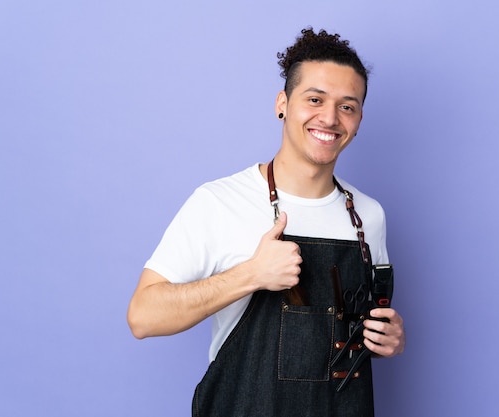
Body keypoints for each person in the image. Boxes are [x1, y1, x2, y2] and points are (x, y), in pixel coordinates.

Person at [128, 27, 405, 416]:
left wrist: (387, 338)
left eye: (347, 106)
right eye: (314, 99)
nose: (330, 118)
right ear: (282, 104)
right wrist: (251, 275)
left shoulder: (368, 216)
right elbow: (143, 316)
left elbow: (351, 336)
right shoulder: (219, 202)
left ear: (358, 119)